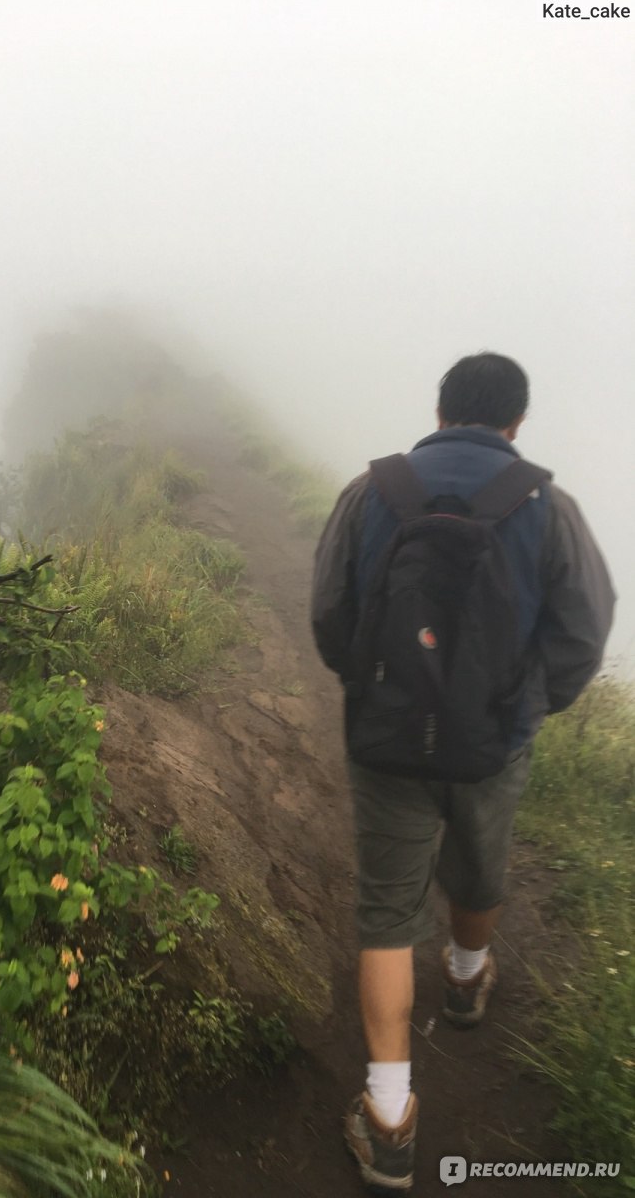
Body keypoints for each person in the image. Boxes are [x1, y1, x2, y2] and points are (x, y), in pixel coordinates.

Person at [311, 352, 615, 1194]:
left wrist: (375, 691)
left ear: (439, 411)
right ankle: (468, 981)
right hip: (492, 743)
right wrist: (522, 712)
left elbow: (330, 617)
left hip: (386, 742)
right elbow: (584, 633)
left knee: (385, 909)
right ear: (516, 424)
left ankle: (390, 1118)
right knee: (479, 865)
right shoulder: (547, 506)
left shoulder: (370, 494)